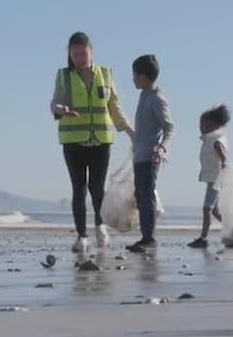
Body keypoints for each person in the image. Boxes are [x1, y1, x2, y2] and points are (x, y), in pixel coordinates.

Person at [50, 31, 135, 253]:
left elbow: (114, 105)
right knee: (78, 188)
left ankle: (100, 228)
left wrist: (128, 129)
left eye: (83, 53)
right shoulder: (63, 76)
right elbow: (55, 102)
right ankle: (81, 236)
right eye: (75, 54)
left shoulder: (105, 74)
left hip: (101, 140)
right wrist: (59, 110)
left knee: (97, 188)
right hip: (73, 140)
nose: (79, 58)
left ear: (91, 51)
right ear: (69, 54)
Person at [127, 54, 174, 254]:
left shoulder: (157, 98)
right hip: (139, 155)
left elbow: (169, 127)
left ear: (144, 77)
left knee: (146, 196)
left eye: (135, 76)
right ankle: (146, 235)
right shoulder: (143, 95)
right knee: (139, 195)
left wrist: (162, 147)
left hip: (151, 157)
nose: (132, 79)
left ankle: (149, 238)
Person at [190, 105, 229, 249]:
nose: (200, 127)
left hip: (216, 179)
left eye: (203, 124)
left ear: (213, 125)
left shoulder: (216, 140)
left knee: (207, 208)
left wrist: (224, 162)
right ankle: (232, 227)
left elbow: (221, 151)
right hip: (213, 178)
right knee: (214, 210)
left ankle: (203, 238)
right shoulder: (210, 139)